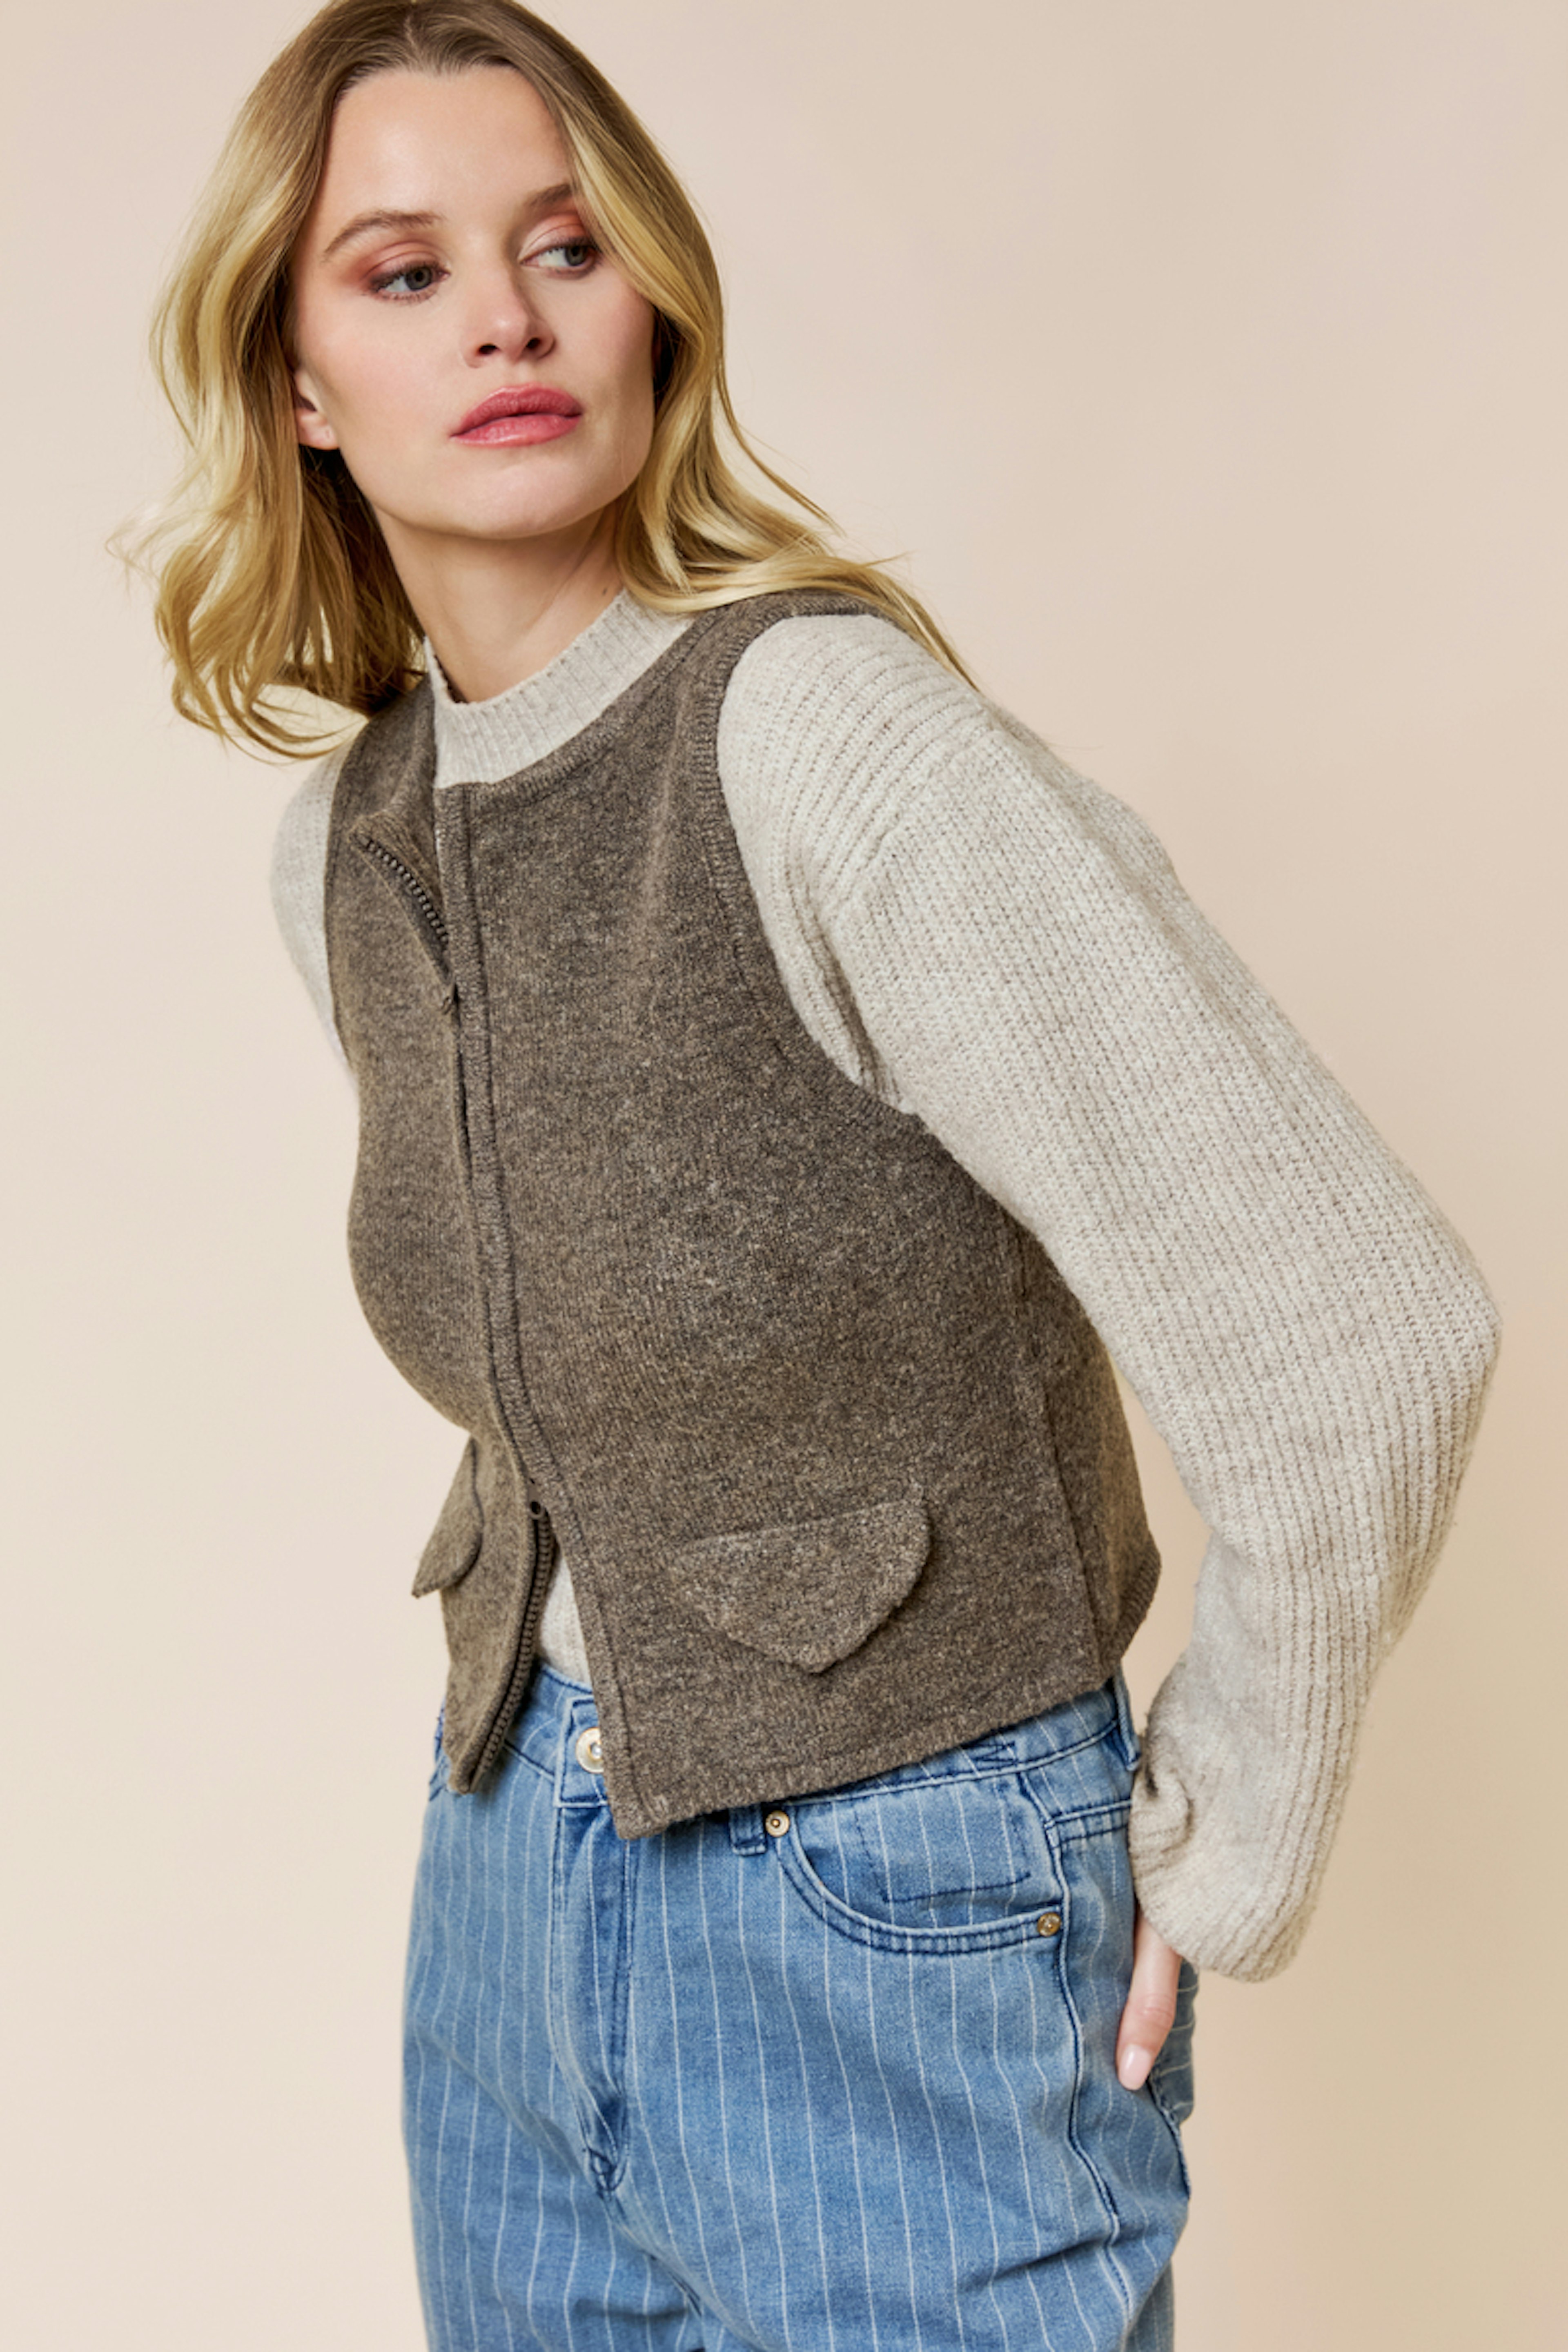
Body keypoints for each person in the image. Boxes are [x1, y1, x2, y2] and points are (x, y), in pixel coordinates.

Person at [141, 2, 1500, 2343]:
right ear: (294, 384)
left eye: (567, 245)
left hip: (897, 1908)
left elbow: (1363, 1333)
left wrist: (1218, 1847)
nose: (506, 318)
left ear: (652, 297)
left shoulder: (820, 739)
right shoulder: (344, 847)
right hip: (508, 1884)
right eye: (405, 271)